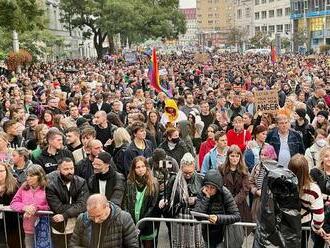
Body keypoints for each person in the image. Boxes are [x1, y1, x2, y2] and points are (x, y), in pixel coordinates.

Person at [159, 153, 204, 248]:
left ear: (194, 168)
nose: (187, 175)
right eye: (185, 172)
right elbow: (167, 194)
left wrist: (196, 200)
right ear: (180, 168)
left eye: (190, 172)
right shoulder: (173, 179)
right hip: (178, 218)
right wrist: (164, 200)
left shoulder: (200, 179)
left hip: (194, 219)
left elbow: (205, 198)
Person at [46, 158, 89, 248]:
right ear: (58, 169)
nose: (70, 171)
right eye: (66, 169)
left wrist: (64, 215)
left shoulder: (81, 182)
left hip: (79, 225)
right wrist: (76, 206)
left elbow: (83, 205)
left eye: (71, 168)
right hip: (60, 227)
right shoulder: (51, 186)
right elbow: (58, 208)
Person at [70, 194, 139, 247]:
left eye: (98, 216)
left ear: (107, 206)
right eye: (92, 216)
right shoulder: (82, 219)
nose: (96, 220)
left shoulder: (124, 218)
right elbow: (73, 244)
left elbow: (133, 245)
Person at [194, 169, 241, 247]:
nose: (209, 190)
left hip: (223, 234)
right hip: (207, 233)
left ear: (217, 187)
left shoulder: (225, 193)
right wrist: (207, 198)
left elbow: (236, 216)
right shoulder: (202, 192)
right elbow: (198, 215)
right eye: (207, 187)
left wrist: (218, 218)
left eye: (212, 188)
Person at [288, 154, 327, 248]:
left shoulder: (282, 183)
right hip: (302, 224)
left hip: (285, 223)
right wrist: (316, 228)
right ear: (306, 169)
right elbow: (319, 218)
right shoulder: (313, 189)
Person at [10, 164, 49, 248]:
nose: (28, 178)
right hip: (28, 228)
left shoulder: (47, 187)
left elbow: (50, 206)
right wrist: (25, 207)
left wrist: (36, 207)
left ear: (40, 176)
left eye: (31, 176)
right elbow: (14, 203)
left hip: (44, 228)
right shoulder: (24, 187)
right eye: (27, 175)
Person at [125, 156, 159, 247]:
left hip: (147, 223)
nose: (141, 169)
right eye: (138, 167)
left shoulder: (153, 183)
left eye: (143, 166)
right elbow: (126, 203)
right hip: (132, 222)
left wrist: (141, 224)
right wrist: (130, 222)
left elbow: (153, 206)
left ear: (147, 167)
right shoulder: (129, 182)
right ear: (133, 169)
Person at [220, 145, 251, 222]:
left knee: (241, 229)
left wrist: (234, 201)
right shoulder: (221, 169)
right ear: (228, 156)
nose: (235, 159)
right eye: (232, 156)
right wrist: (228, 201)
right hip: (225, 203)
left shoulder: (244, 170)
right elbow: (219, 186)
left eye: (237, 156)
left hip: (240, 204)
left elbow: (245, 189)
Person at [310, 147, 330, 247]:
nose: (329, 158)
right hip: (319, 214)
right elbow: (313, 194)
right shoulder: (314, 172)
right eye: (326, 156)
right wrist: (327, 198)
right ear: (322, 158)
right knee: (318, 244)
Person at [0, 162, 20, 248]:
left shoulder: (14, 185)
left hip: (12, 222)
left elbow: (18, 201)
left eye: (1, 171)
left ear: (7, 172)